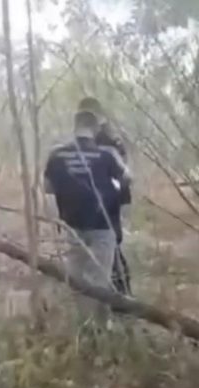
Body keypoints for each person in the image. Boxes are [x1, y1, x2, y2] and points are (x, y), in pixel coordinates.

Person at [43, 109, 131, 322]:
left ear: (75, 127)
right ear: (95, 129)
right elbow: (128, 177)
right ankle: (100, 325)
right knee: (100, 279)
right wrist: (114, 193)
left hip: (72, 225)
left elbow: (47, 187)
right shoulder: (106, 154)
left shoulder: (57, 155)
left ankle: (85, 323)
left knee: (77, 278)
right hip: (103, 225)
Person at [77, 97, 133, 296]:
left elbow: (122, 173)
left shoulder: (107, 141)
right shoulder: (96, 139)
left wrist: (113, 194)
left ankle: (121, 294)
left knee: (112, 247)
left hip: (107, 202)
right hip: (96, 203)